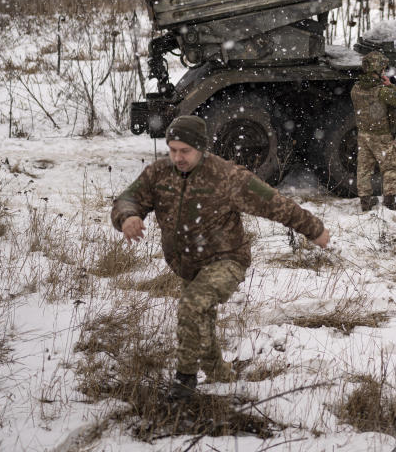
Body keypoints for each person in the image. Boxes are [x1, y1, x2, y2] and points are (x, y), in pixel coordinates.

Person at [111, 115, 330, 400]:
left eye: (185, 151)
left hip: (226, 260)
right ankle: (218, 373)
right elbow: (128, 199)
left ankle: (184, 384)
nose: (177, 157)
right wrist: (128, 217)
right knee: (200, 319)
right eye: (173, 150)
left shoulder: (228, 177)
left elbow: (275, 204)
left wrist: (314, 230)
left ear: (201, 148)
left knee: (191, 307)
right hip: (188, 265)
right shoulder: (159, 174)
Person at [351, 50, 396, 212]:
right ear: (377, 70)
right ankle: (389, 202)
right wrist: (391, 85)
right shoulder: (382, 91)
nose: (384, 71)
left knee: (363, 168)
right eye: (382, 69)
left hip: (363, 134)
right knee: (390, 167)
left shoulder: (355, 88)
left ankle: (365, 202)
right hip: (382, 135)